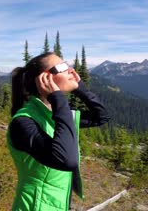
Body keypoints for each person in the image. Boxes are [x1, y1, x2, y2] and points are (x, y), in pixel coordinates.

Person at [7, 52, 110, 211]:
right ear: (45, 79)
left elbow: (101, 116)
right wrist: (57, 97)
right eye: (62, 67)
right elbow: (67, 160)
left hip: (57, 204)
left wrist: (79, 87)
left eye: (67, 64)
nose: (70, 70)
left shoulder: (56, 114)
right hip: (35, 206)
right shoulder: (24, 122)